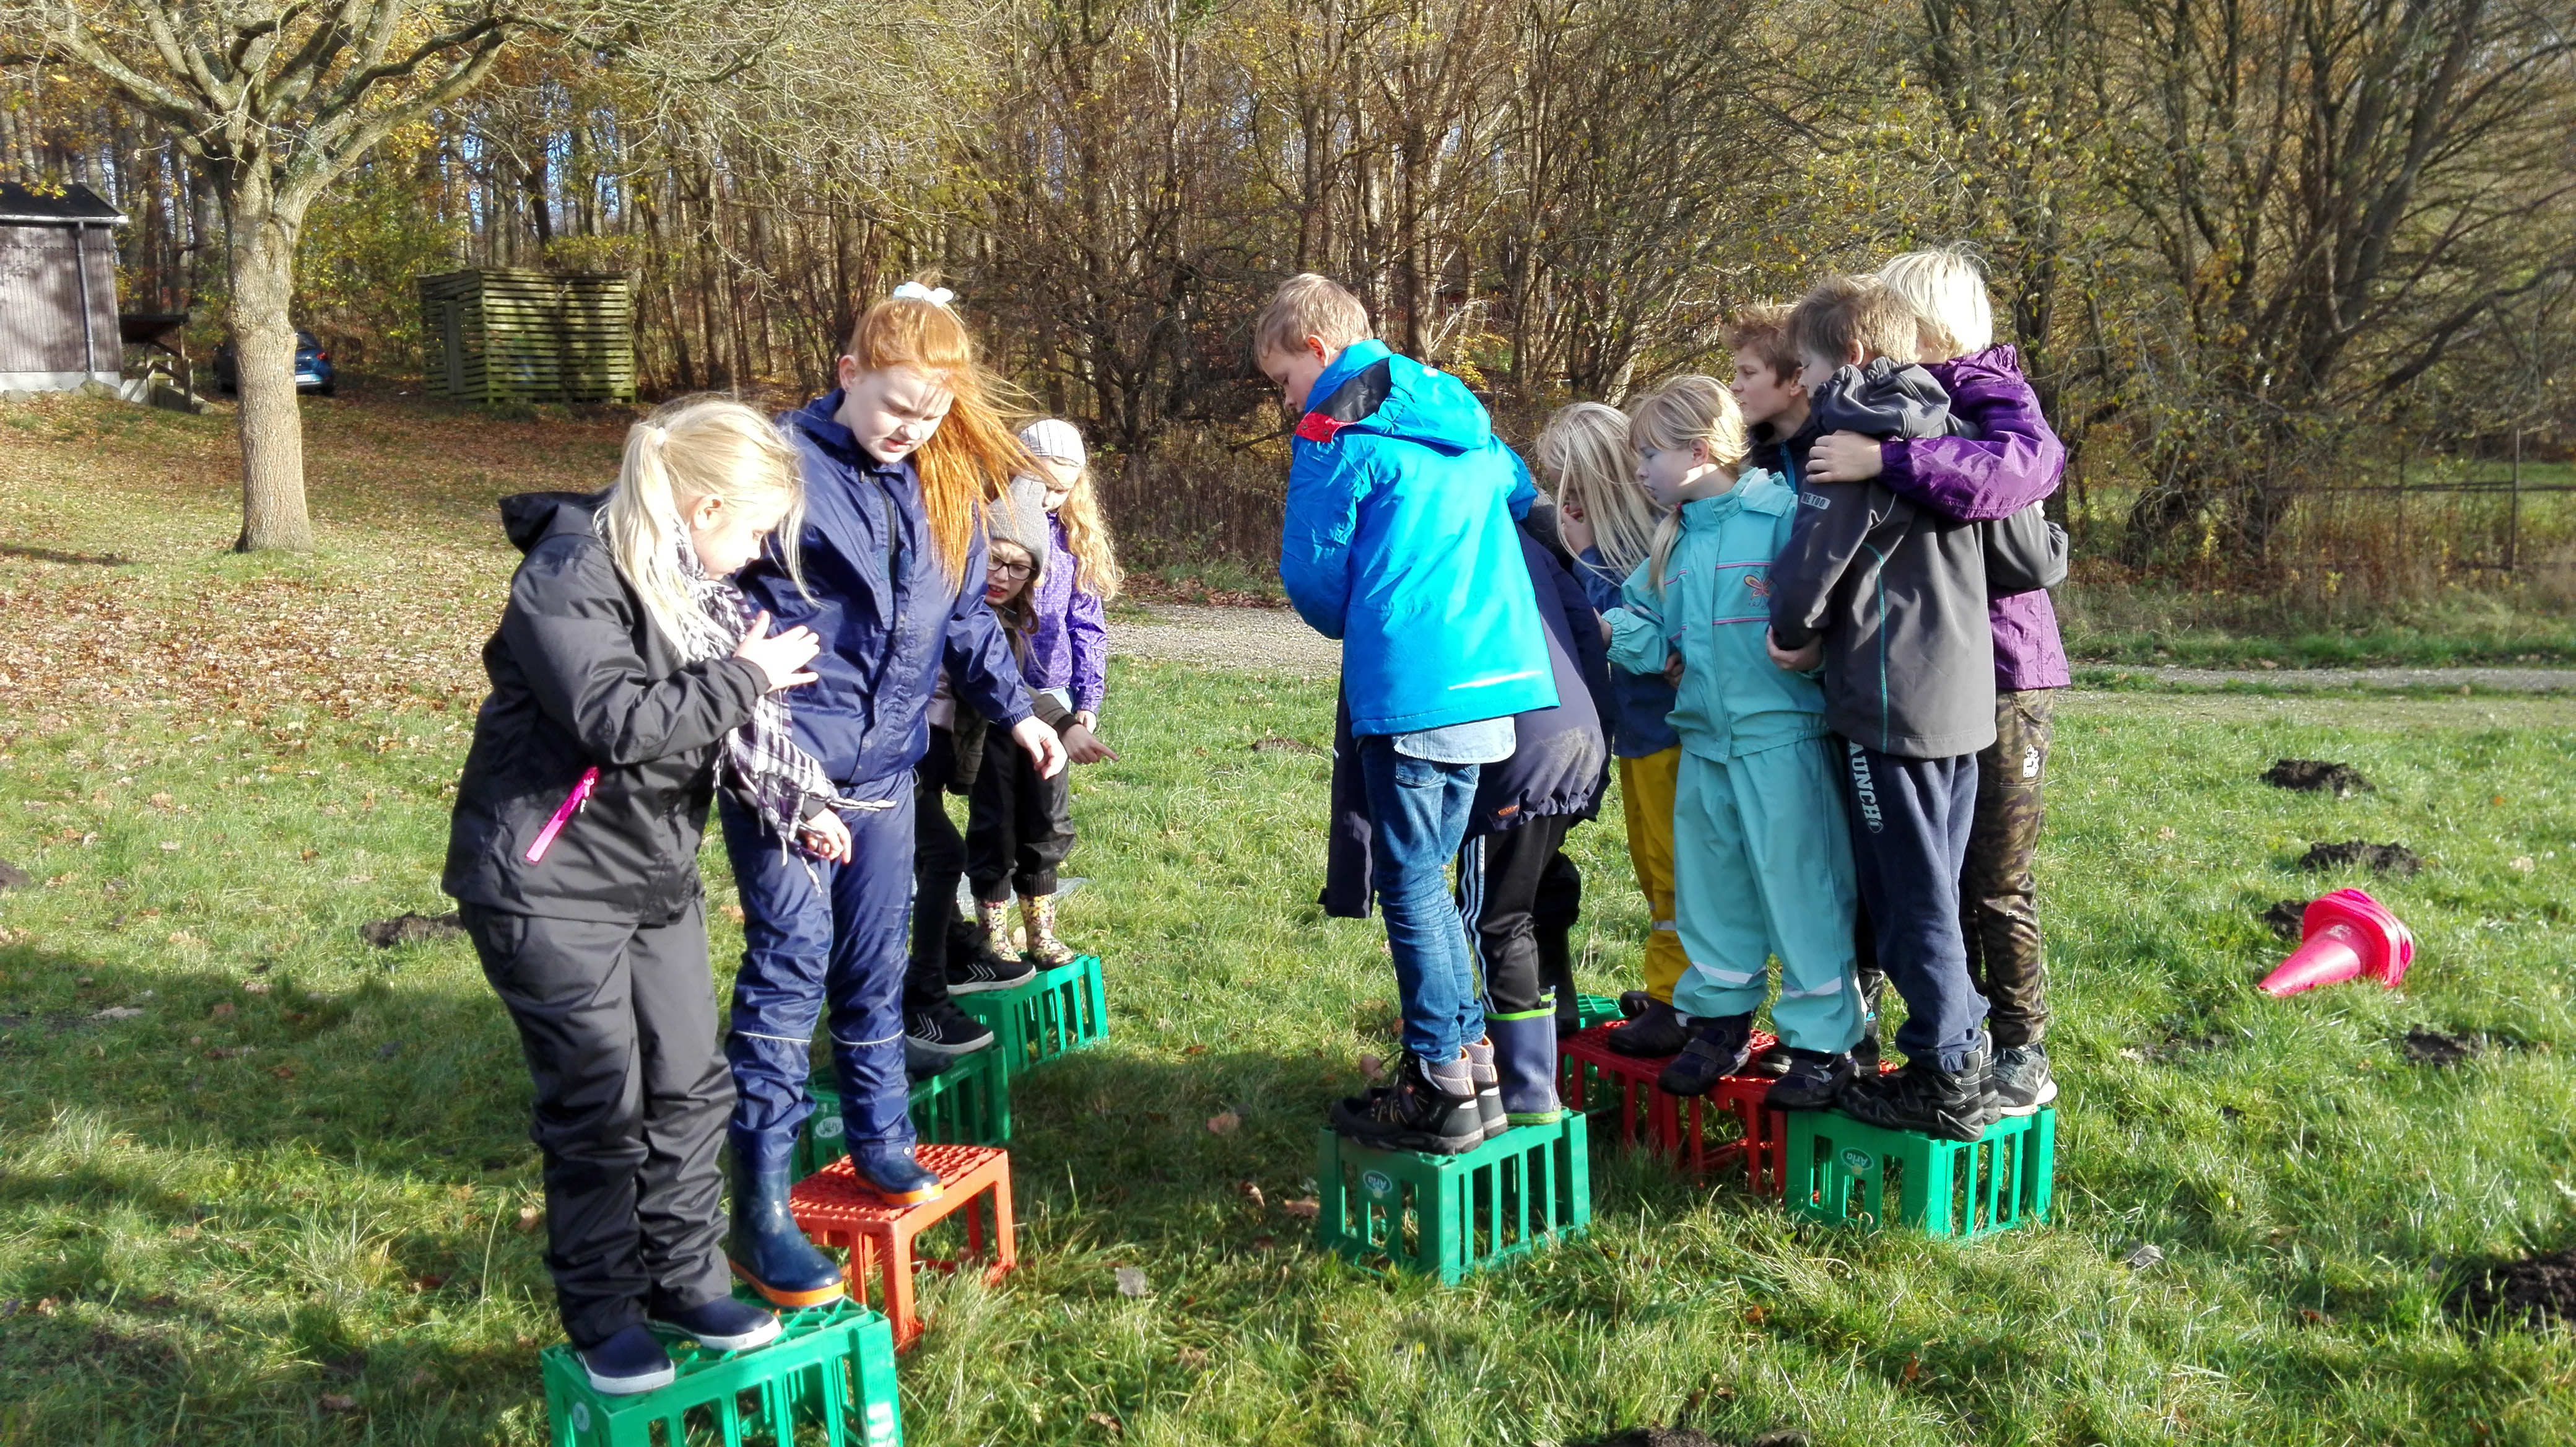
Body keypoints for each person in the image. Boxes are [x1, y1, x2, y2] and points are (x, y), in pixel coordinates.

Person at [443, 397, 835, 1393]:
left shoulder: (687, 583)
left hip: (652, 876)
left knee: (691, 1085)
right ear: (700, 507)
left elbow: (711, 725)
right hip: (546, 883)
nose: (752, 555)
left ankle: (687, 1280)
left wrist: (793, 782)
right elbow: (618, 719)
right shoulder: (569, 572)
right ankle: (604, 1311)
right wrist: (746, 677)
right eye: (748, 531)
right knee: (599, 1104)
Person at [722, 285, 1068, 1308]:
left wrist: (1016, 710)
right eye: (897, 408)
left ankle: (881, 1139)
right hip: (786, 772)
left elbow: (964, 615)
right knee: (788, 979)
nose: (912, 430)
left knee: (876, 972)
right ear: (848, 374)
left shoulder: (940, 478)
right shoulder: (780, 467)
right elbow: (711, 580)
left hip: (885, 772)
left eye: (932, 415)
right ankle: (760, 1208)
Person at [1260, 271, 1558, 1155]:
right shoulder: (1457, 412)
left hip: (1415, 682)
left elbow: (1313, 578)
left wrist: (1373, 607)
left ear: (1320, 352)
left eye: (1282, 379)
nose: (1285, 401)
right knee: (1437, 875)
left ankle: (1439, 1080)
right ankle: (1475, 1065)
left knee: (1412, 883)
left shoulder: (1334, 431)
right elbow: (1518, 492)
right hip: (1496, 674)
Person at [1765, 274, 2058, 1142]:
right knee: (1936, 880)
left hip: (1890, 703)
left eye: (1809, 369)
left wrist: (1793, 627)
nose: (1805, 387)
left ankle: (1945, 1072)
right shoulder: (1964, 432)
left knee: (1912, 891)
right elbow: (2029, 552)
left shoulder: (1853, 431)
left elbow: (1811, 568)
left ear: (1851, 358)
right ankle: (1959, 1053)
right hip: (1969, 702)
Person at [1599, 377, 1863, 1111]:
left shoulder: (1779, 513)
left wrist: (1812, 649)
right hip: (1704, 744)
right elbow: (1644, 622)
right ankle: (1716, 1025)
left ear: (1696, 448)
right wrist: (1614, 634)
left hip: (1780, 741)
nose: (1641, 472)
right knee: (1711, 893)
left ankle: (1821, 1043)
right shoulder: (1674, 539)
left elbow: (1829, 598)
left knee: (1799, 889)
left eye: (1648, 454)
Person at [1538, 401, 1687, 1051]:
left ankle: (1676, 1000)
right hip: (1641, 741)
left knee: (1670, 872)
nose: (1556, 504)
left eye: (1562, 488)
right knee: (1656, 868)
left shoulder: (1617, 564)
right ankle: (1674, 990)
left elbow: (1654, 644)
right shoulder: (1628, 548)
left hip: (1666, 741)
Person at [967, 420, 1121, 966]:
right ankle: (994, 932)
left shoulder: (1073, 540)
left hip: (1051, 695)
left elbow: (1087, 623)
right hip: (989, 695)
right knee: (995, 817)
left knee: (1047, 817)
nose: (1053, 499)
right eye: (1043, 484)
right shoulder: (988, 529)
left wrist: (1087, 699)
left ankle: (1042, 931)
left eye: (1064, 488)